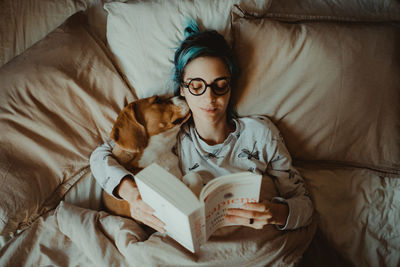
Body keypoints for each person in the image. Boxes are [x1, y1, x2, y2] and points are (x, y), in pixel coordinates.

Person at [90, 21, 313, 236]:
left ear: (230, 87)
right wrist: (132, 196)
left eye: (220, 85)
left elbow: (304, 204)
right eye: (197, 86)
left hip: (251, 243)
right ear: (182, 90)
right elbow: (101, 156)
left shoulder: (260, 134)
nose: (209, 97)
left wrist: (277, 213)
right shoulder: (171, 136)